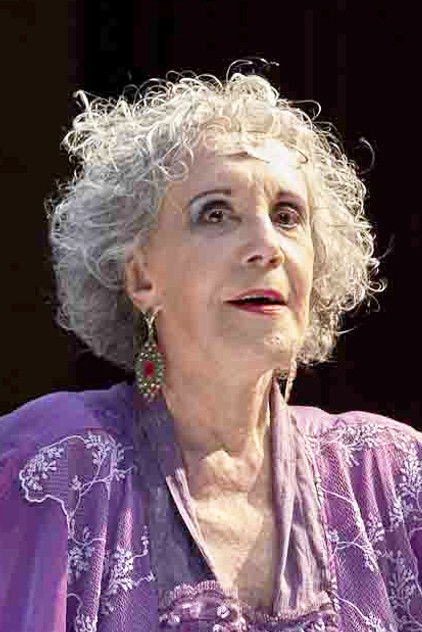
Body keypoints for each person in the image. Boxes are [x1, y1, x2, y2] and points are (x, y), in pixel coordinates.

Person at [0, 63, 421, 632]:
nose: (267, 246)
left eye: (287, 216)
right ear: (141, 277)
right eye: (216, 214)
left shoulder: (392, 474)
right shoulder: (49, 469)